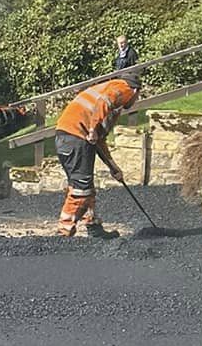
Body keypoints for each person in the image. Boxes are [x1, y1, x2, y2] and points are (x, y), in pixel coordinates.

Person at [53, 74, 138, 237]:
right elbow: (105, 101)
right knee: (82, 188)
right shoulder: (125, 88)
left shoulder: (104, 90)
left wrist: (113, 167)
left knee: (83, 185)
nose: (135, 101)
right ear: (136, 91)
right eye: (137, 97)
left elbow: (98, 141)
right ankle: (63, 232)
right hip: (76, 137)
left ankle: (93, 227)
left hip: (66, 137)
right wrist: (92, 129)